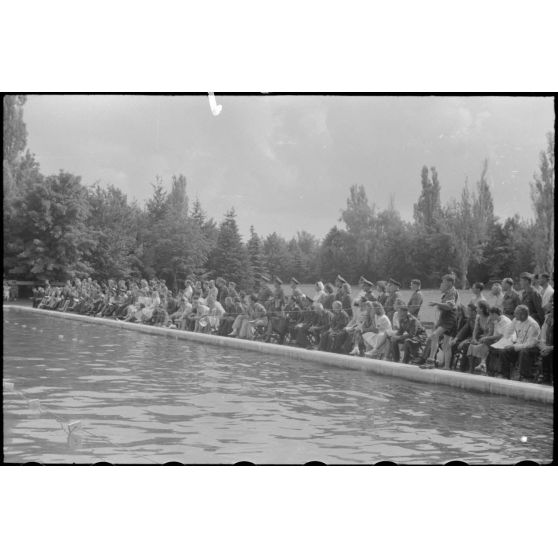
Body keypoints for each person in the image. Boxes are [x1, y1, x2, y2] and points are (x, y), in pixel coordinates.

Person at [420, 274, 459, 370]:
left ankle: (431, 361)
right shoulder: (448, 292)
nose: (442, 283)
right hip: (445, 319)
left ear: (450, 282)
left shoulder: (452, 292)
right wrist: (439, 305)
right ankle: (446, 367)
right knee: (446, 344)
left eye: (444, 281)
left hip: (449, 320)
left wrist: (436, 303)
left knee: (434, 335)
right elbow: (446, 305)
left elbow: (450, 306)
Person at [498, 305, 541, 381]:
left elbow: (531, 344)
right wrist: (503, 343)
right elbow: (508, 333)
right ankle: (505, 375)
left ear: (523, 315)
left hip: (532, 348)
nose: (514, 315)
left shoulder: (533, 325)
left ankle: (525, 377)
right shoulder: (515, 320)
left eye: (516, 313)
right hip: (518, 345)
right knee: (503, 351)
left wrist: (514, 347)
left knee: (523, 352)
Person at [448, 303, 477, 371]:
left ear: (474, 311)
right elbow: (463, 331)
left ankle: (463, 368)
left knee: (466, 346)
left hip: (473, 340)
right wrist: (455, 339)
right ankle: (449, 365)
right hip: (468, 339)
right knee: (453, 345)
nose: (467, 311)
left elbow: (476, 335)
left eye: (469, 310)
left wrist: (465, 341)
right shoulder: (470, 320)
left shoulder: (476, 320)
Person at [466, 300, 493, 373]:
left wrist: (484, 338)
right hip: (482, 337)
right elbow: (475, 330)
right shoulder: (478, 317)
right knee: (471, 345)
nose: (476, 309)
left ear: (482, 309)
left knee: (484, 342)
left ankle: (482, 364)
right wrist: (474, 338)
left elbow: (491, 332)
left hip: (490, 338)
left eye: (477, 308)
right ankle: (471, 369)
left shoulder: (490, 318)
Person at [538, 294, 553, 385]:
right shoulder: (548, 318)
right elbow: (542, 335)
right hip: (547, 346)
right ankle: (546, 377)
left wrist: (550, 348)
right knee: (545, 353)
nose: (552, 304)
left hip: (551, 347)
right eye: (551, 302)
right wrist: (543, 346)